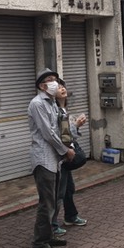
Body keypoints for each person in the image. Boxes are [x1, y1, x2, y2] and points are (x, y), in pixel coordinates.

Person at [28, 69, 75, 248]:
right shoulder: (38, 104)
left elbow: (62, 126)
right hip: (44, 159)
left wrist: (62, 104)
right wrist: (66, 150)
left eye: (56, 79)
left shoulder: (53, 103)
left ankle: (48, 237)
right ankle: (39, 246)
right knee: (46, 204)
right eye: (50, 80)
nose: (55, 83)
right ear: (42, 86)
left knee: (54, 201)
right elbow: (48, 133)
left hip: (54, 159)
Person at [53, 80, 87, 235]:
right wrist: (77, 125)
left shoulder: (63, 109)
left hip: (66, 155)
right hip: (60, 157)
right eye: (58, 87)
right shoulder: (54, 111)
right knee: (59, 192)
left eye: (63, 86)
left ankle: (70, 216)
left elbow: (67, 135)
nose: (62, 89)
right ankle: (52, 225)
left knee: (68, 189)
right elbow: (61, 135)